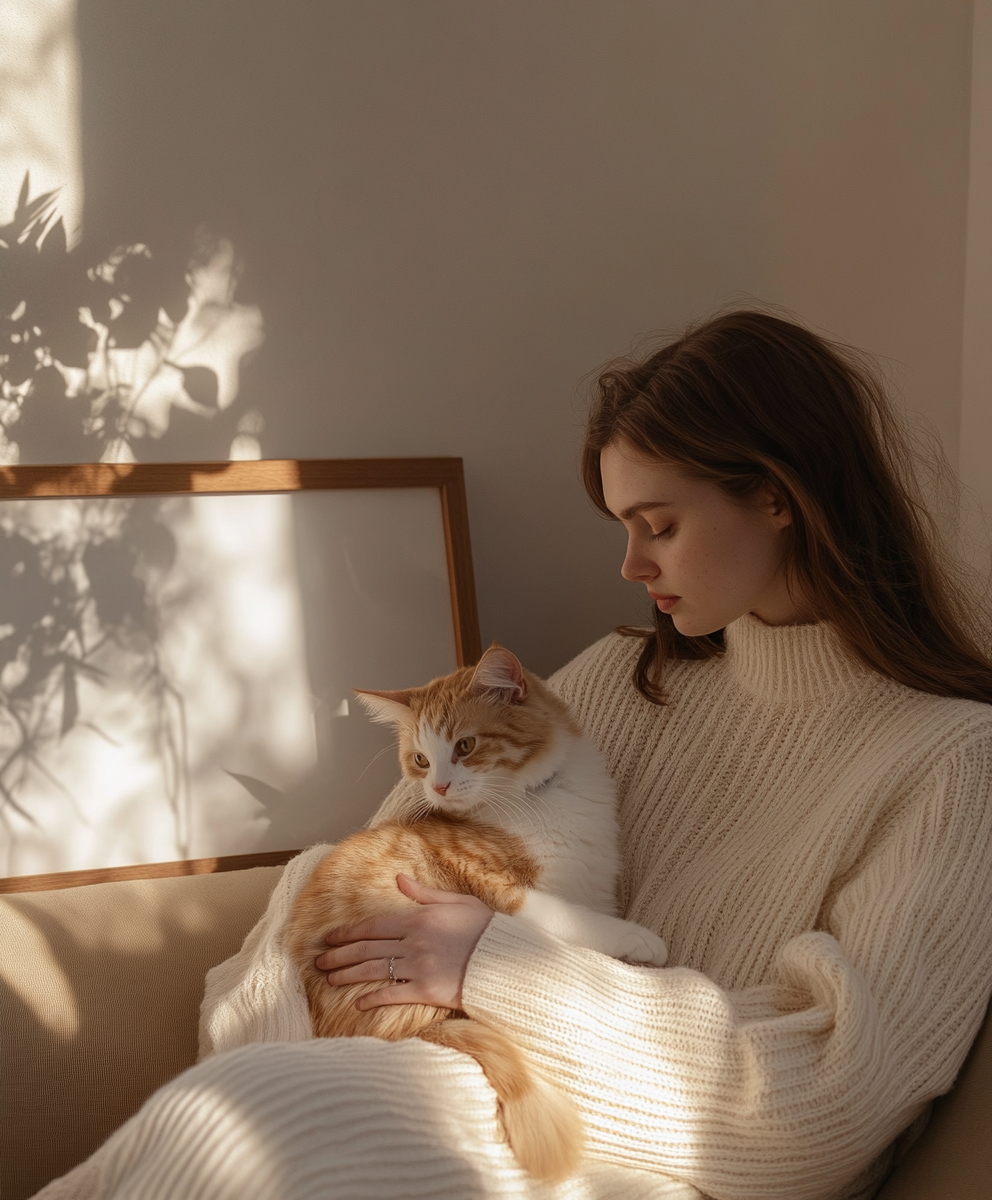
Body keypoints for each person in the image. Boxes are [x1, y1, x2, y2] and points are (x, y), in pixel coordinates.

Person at [34, 311, 992, 1200]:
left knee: (262, 1123)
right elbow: (371, 888)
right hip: (468, 1074)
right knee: (228, 1115)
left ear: (780, 499)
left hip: (656, 1161)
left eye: (660, 525)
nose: (630, 566)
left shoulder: (949, 759)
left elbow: (832, 1104)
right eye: (622, 527)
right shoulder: (623, 680)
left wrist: (496, 964)